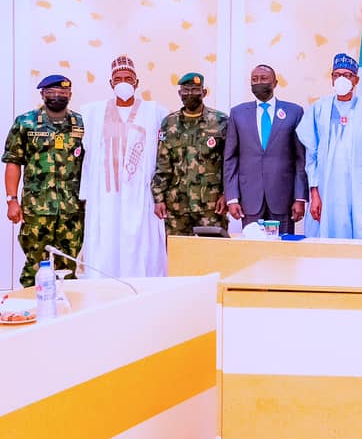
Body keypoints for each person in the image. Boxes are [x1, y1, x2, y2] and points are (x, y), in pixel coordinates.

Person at [80, 55, 167, 277]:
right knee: (106, 240)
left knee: (138, 243)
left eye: (128, 78)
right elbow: (85, 156)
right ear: (110, 83)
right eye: (118, 79)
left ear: (137, 82)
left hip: (141, 193)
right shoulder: (92, 113)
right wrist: (85, 193)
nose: (123, 82)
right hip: (105, 195)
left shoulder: (155, 112)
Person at [3, 75, 84, 286]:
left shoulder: (80, 124)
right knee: (35, 266)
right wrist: (11, 200)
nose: (57, 96)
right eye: (51, 92)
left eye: (62, 92)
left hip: (72, 209)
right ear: (42, 94)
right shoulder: (25, 122)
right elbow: (13, 162)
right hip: (37, 208)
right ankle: (34, 311)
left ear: (70, 95)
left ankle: (69, 314)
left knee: (68, 267)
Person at [295, 53, 362, 239]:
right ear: (331, 79)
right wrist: (314, 193)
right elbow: (311, 156)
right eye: (337, 75)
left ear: (356, 80)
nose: (341, 79)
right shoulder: (318, 109)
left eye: (347, 75)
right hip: (326, 191)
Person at [223, 64, 307, 235]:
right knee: (252, 251)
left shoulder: (294, 112)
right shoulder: (238, 113)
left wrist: (300, 197)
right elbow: (230, 158)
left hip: (283, 198)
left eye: (263, 79)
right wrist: (232, 197)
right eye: (254, 79)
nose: (258, 82)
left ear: (275, 83)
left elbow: (300, 159)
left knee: (283, 252)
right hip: (249, 198)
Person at [151, 72, 229, 236]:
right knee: (178, 257)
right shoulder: (169, 123)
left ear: (204, 92)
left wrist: (227, 194)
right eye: (185, 90)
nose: (190, 94)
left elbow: (229, 163)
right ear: (180, 93)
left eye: (195, 90)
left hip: (211, 205)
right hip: (177, 205)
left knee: (212, 256)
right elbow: (163, 164)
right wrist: (158, 198)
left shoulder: (221, 121)